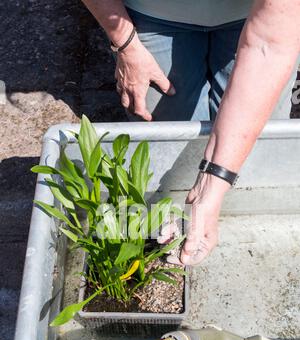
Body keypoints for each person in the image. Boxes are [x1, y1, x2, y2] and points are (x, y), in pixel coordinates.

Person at [82, 0, 300, 265]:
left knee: (256, 148)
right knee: (167, 152)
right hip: (152, 12)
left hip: (254, 14)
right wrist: (125, 43)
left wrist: (212, 182)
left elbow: (269, 46)